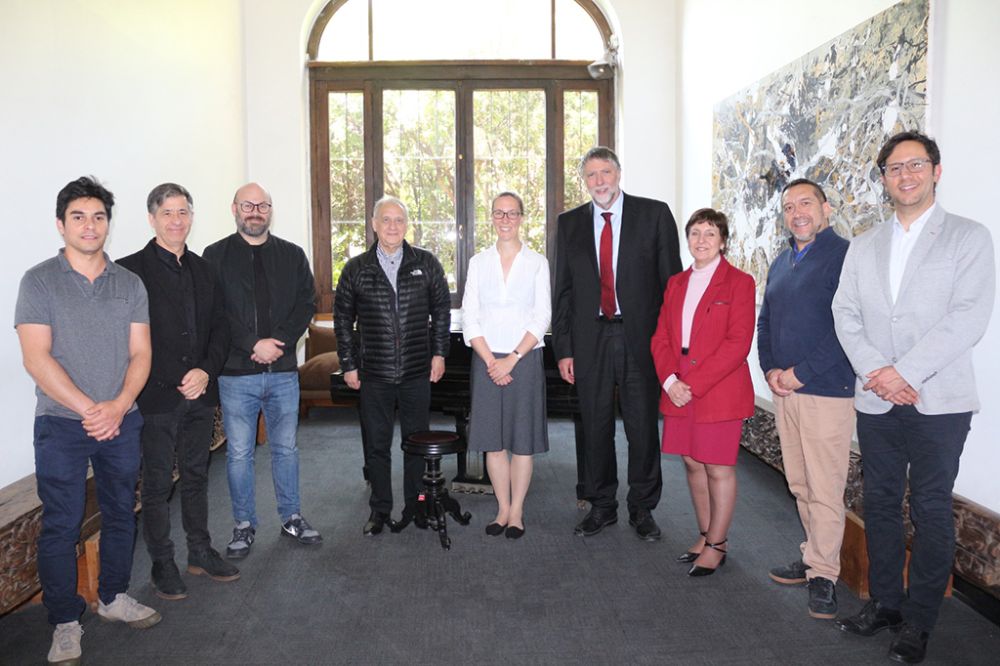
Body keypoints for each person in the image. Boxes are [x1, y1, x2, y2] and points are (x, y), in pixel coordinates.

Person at [832, 131, 995, 664]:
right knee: (878, 502)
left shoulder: (968, 238)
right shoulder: (864, 244)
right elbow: (845, 313)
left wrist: (904, 371)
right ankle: (885, 602)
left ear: (936, 171)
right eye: (894, 168)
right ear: (883, 180)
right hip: (877, 399)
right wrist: (878, 372)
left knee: (930, 509)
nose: (905, 175)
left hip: (938, 401)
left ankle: (919, 621)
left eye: (915, 165)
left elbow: (967, 317)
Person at [15, 176, 161, 665]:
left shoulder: (130, 284)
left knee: (122, 512)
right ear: (61, 225)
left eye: (98, 216)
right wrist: (89, 409)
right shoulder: (38, 281)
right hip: (61, 424)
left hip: (122, 420)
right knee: (61, 524)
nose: (89, 225)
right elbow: (36, 358)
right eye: (78, 216)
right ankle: (64, 622)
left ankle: (114, 597)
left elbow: (141, 353)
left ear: (108, 225)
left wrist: (117, 406)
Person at [552, 146, 681, 540]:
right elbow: (564, 291)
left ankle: (642, 508)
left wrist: (669, 348)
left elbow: (671, 287)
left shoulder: (654, 215)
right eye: (590, 175)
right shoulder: (569, 223)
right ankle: (602, 505)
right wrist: (564, 349)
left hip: (639, 337)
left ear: (619, 174)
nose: (599, 182)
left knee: (642, 426)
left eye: (605, 172)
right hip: (590, 338)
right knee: (594, 426)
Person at [117, 183, 239, 600]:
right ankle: (161, 562)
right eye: (167, 213)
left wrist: (205, 369)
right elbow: (128, 342)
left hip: (200, 394)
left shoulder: (206, 270)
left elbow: (222, 328)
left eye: (183, 212)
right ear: (152, 218)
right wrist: (175, 376)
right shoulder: (128, 270)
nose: (176, 220)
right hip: (154, 398)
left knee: (196, 475)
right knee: (155, 485)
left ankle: (200, 551)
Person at [203, 182, 321, 559]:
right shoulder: (214, 256)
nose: (255, 211)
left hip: (284, 371)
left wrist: (278, 342)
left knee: (286, 449)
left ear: (270, 210)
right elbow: (215, 313)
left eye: (262, 206)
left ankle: (291, 516)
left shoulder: (292, 254)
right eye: (248, 205)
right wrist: (253, 344)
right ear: (234, 208)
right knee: (239, 454)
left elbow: (307, 303)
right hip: (236, 373)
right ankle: (243, 524)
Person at [756, 178, 855, 618]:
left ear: (825, 208)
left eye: (806, 203)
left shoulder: (844, 256)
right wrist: (772, 370)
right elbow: (766, 322)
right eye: (789, 206)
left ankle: (824, 575)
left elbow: (848, 329)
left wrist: (800, 373)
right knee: (798, 482)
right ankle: (813, 553)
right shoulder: (781, 262)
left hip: (825, 392)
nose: (798, 212)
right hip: (786, 392)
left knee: (825, 487)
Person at [334, 195, 451, 535]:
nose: (393, 226)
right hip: (375, 374)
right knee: (377, 444)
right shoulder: (356, 268)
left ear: (406, 225)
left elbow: (441, 311)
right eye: (386, 220)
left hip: (417, 370)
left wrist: (439, 353)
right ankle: (380, 510)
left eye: (399, 220)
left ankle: (416, 506)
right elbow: (343, 320)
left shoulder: (426, 264)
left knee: (415, 443)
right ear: (374, 224)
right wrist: (349, 364)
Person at [650, 208, 755, 576]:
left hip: (718, 389)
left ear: (723, 240)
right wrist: (669, 382)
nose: (701, 240)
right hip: (677, 385)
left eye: (710, 233)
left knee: (717, 466)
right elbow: (660, 337)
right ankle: (705, 533)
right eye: (695, 233)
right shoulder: (676, 282)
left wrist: (691, 385)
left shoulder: (740, 283)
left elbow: (737, 343)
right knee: (692, 462)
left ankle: (718, 543)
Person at [461, 192, 551, 539]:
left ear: (522, 217)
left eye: (512, 213)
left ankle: (517, 511)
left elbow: (543, 315)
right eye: (499, 212)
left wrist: (512, 358)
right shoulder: (479, 261)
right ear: (492, 217)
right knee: (493, 442)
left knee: (521, 441)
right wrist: (490, 360)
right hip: (485, 360)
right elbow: (470, 314)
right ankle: (501, 507)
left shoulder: (537, 263)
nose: (505, 219)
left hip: (524, 360)